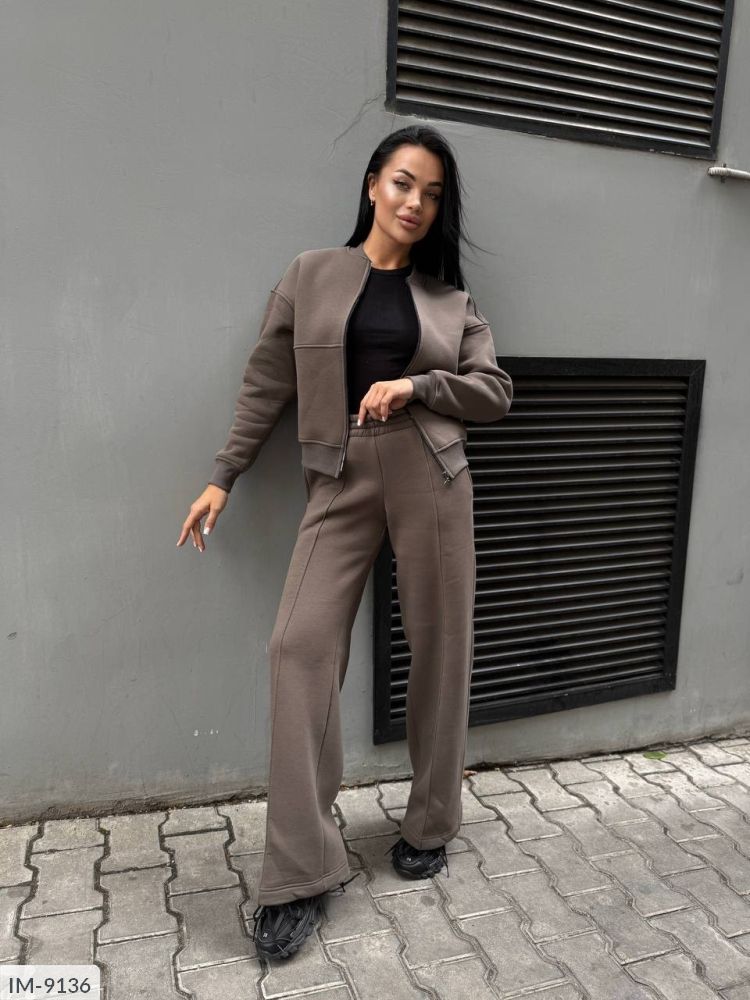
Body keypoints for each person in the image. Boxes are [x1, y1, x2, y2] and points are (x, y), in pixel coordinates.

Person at [176, 124, 513, 961]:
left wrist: (417, 383)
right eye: (403, 183)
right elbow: (267, 380)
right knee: (297, 647)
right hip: (338, 476)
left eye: (432, 194)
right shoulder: (312, 274)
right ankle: (300, 870)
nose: (415, 203)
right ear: (371, 184)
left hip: (433, 473)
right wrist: (224, 474)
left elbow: (494, 392)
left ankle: (430, 821)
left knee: (441, 648)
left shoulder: (451, 302)